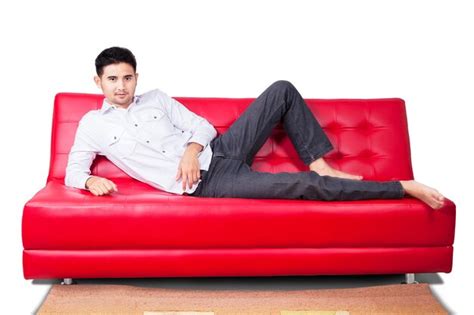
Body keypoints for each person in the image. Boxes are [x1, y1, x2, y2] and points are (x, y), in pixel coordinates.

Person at [65, 46, 445, 209]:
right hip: (210, 184)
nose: (121, 86)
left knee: (281, 90)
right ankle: (401, 188)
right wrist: (87, 182)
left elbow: (201, 125)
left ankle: (320, 161)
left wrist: (191, 151)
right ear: (98, 82)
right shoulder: (92, 125)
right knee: (303, 186)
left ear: (136, 78)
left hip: (222, 150)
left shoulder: (157, 98)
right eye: (112, 79)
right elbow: (73, 172)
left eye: (127, 78)